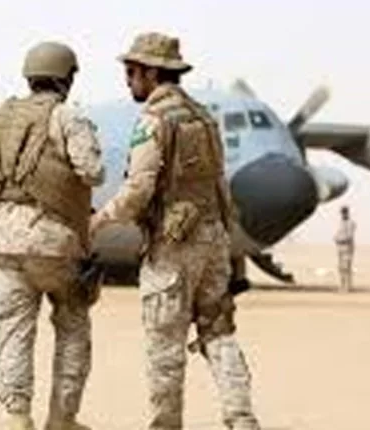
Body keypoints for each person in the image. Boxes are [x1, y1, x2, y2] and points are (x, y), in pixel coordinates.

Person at [89, 32, 261, 430]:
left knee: (164, 346)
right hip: (213, 241)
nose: (128, 80)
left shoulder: (155, 120)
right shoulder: (204, 118)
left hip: (173, 247)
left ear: (152, 73)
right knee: (219, 332)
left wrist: (98, 221)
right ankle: (241, 419)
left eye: (132, 72)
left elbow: (138, 189)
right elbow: (218, 183)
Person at [0, 41, 105, 430]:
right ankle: (62, 419)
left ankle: (17, 416)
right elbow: (93, 171)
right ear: (67, 78)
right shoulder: (67, 117)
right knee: (72, 326)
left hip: (5, 242)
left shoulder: (0, 121)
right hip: (55, 242)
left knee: (14, 330)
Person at [334, 205, 356, 292]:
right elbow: (338, 233)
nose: (343, 214)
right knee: (340, 268)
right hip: (340, 247)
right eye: (342, 213)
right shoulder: (341, 223)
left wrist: (340, 239)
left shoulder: (351, 223)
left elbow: (349, 236)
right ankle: (342, 285)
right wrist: (336, 238)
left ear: (347, 213)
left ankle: (348, 286)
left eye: (344, 213)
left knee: (346, 267)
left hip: (347, 247)